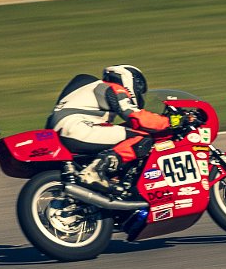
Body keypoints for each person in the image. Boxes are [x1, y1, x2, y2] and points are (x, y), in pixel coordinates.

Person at [46, 64, 174, 192]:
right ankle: (95, 171)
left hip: (67, 130)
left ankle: (109, 177)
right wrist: (170, 121)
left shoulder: (91, 89)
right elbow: (134, 116)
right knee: (141, 138)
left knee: (128, 134)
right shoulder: (113, 88)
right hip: (76, 128)